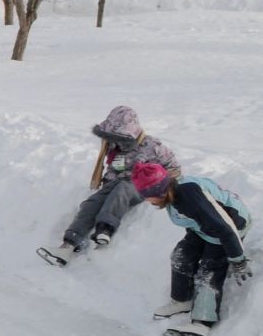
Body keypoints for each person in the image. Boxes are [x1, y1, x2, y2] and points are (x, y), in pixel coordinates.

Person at [46, 106, 182, 262]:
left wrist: (158, 183)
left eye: (118, 138)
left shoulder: (151, 146)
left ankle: (105, 229)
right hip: (114, 183)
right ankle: (69, 245)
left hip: (139, 184)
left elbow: (174, 168)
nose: (114, 142)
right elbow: (111, 169)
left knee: (121, 191)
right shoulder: (112, 147)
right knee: (92, 203)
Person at [132, 161, 250, 336]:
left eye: (147, 197)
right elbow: (195, 218)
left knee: (209, 270)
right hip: (204, 228)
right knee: (182, 255)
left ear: (159, 191)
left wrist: (237, 258)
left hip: (231, 227)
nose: (147, 201)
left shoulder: (188, 197)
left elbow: (225, 228)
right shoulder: (173, 192)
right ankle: (182, 300)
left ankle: (203, 322)